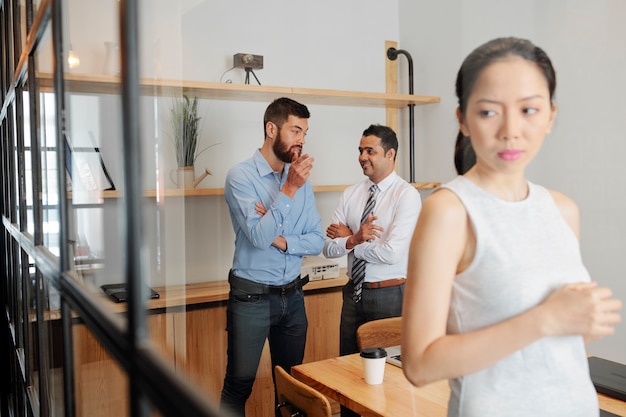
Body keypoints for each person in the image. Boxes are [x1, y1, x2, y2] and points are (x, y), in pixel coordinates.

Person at [401, 37, 623, 417]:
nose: (510, 130)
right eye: (489, 112)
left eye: (529, 110)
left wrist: (581, 320)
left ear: (550, 116)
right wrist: (546, 319)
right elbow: (420, 366)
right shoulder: (449, 212)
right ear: (463, 120)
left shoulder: (563, 210)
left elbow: (559, 345)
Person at [221, 97, 324, 417]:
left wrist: (280, 240)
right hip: (251, 297)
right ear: (271, 129)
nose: (302, 141)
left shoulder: (300, 181)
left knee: (292, 388)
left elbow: (317, 240)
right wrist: (289, 190)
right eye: (295, 130)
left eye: (305, 133)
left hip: (293, 296)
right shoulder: (240, 177)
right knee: (239, 386)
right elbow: (258, 236)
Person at [323, 124, 421, 416]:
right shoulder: (351, 194)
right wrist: (355, 238)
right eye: (360, 151)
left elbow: (392, 253)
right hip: (353, 291)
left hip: (389, 293)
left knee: (388, 377)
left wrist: (349, 240)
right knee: (349, 372)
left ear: (390, 154)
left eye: (370, 151)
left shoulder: (406, 196)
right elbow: (327, 248)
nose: (362, 157)